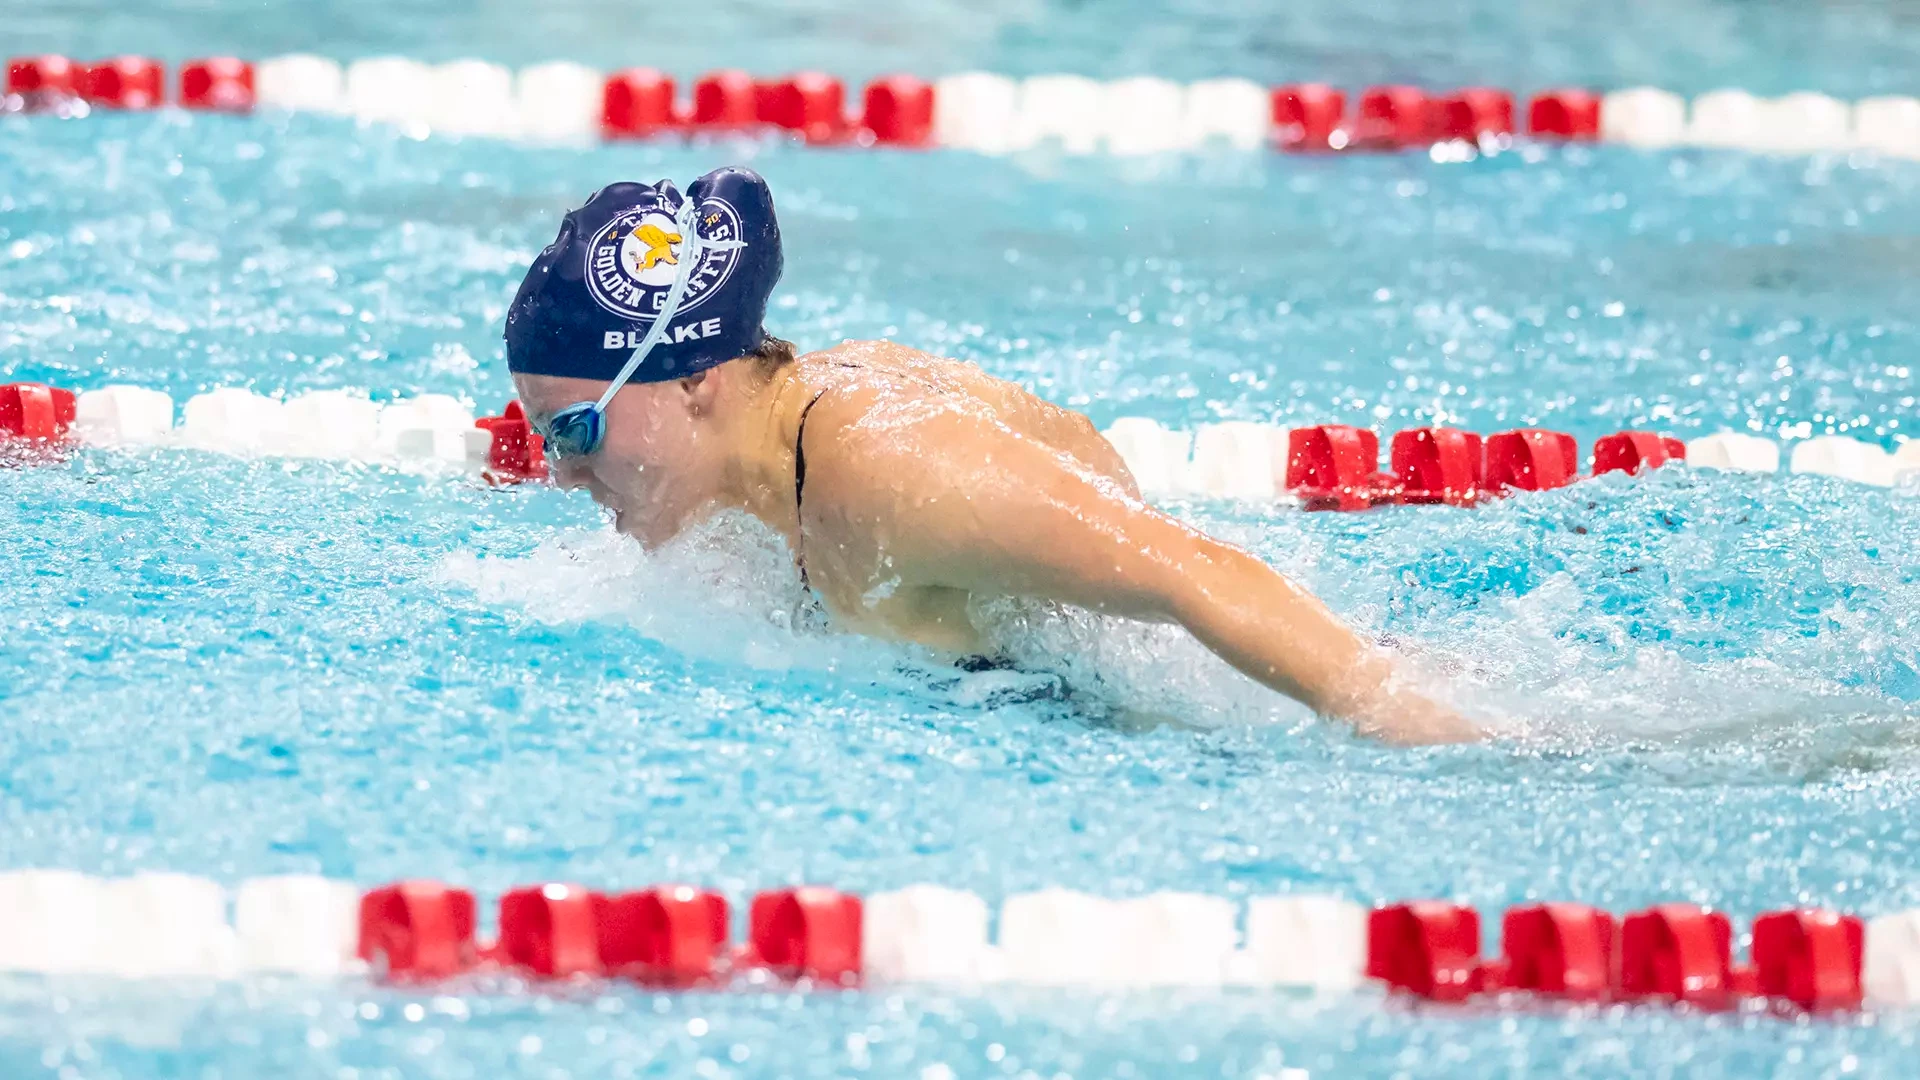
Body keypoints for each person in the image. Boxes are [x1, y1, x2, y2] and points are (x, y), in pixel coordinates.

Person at [504, 167, 1480, 746]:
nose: (558, 472)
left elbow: (1196, 575)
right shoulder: (763, 468)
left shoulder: (892, 473)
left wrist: (1426, 737)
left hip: (1178, 712)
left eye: (573, 430)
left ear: (694, 380)